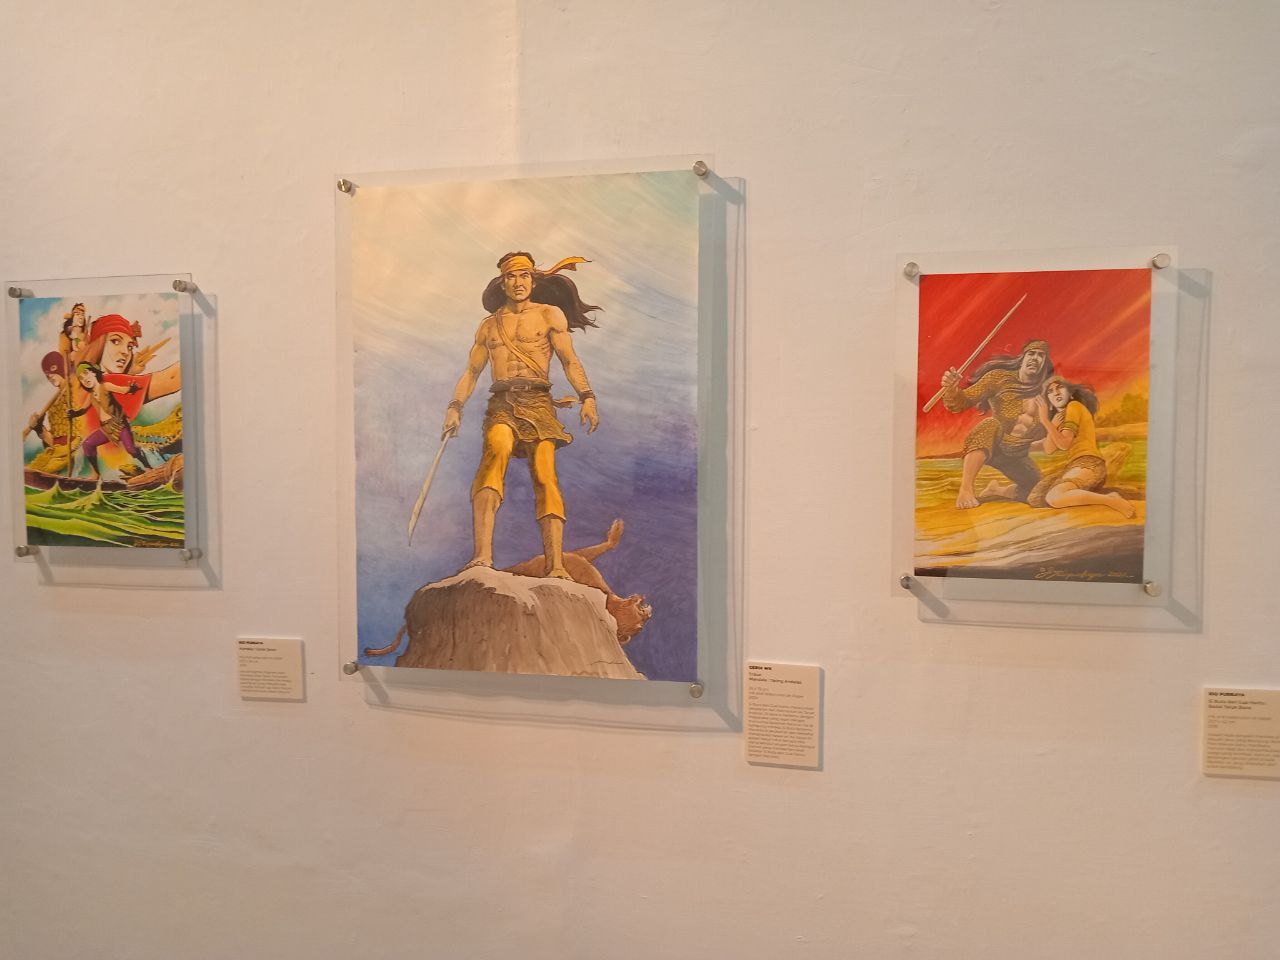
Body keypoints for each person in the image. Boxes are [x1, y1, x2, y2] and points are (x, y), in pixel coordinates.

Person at [440, 251, 600, 579]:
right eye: (511, 276)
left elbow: (570, 360)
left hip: (538, 403)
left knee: (544, 475)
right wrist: (454, 407)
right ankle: (482, 557)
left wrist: (588, 397)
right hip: (502, 401)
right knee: (495, 453)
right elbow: (472, 372)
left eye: (524, 275)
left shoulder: (549, 315)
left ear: (533, 279)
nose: (518, 282)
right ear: (502, 282)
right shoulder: (489, 326)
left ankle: (556, 566)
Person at [940, 339, 1054, 508]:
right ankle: (966, 489)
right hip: (993, 444)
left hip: (1016, 455)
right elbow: (961, 402)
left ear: (1044, 362)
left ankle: (997, 490)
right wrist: (952, 389)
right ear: (1022, 357)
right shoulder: (999, 377)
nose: (1035, 358)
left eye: (1040, 355)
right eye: (1031, 353)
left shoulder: (1048, 391)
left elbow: (1057, 428)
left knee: (1040, 494)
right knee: (990, 424)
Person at [1025, 375, 1136, 517]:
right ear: (1049, 402)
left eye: (1059, 388)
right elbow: (1049, 449)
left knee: (1053, 497)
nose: (1056, 393)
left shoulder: (1074, 406)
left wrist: (1045, 421)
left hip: (1089, 464)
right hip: (1075, 466)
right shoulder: (1061, 417)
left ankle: (1110, 500)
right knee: (1036, 498)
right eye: (1050, 392)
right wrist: (1052, 424)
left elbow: (1064, 444)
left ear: (1070, 393)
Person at [69, 362, 147, 479]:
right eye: (81, 378)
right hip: (106, 428)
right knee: (87, 444)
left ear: (94, 373)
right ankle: (96, 474)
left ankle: (148, 467)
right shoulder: (91, 395)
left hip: (120, 425)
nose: (85, 379)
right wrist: (73, 413)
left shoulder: (105, 386)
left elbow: (123, 390)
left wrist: (132, 388)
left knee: (131, 450)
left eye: (86, 373)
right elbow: (83, 409)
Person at [25, 352, 79, 475]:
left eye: (52, 371)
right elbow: (53, 438)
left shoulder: (73, 390)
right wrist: (39, 428)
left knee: (43, 471)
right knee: (33, 469)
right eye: (47, 375)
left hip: (72, 445)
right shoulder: (54, 403)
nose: (50, 377)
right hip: (57, 447)